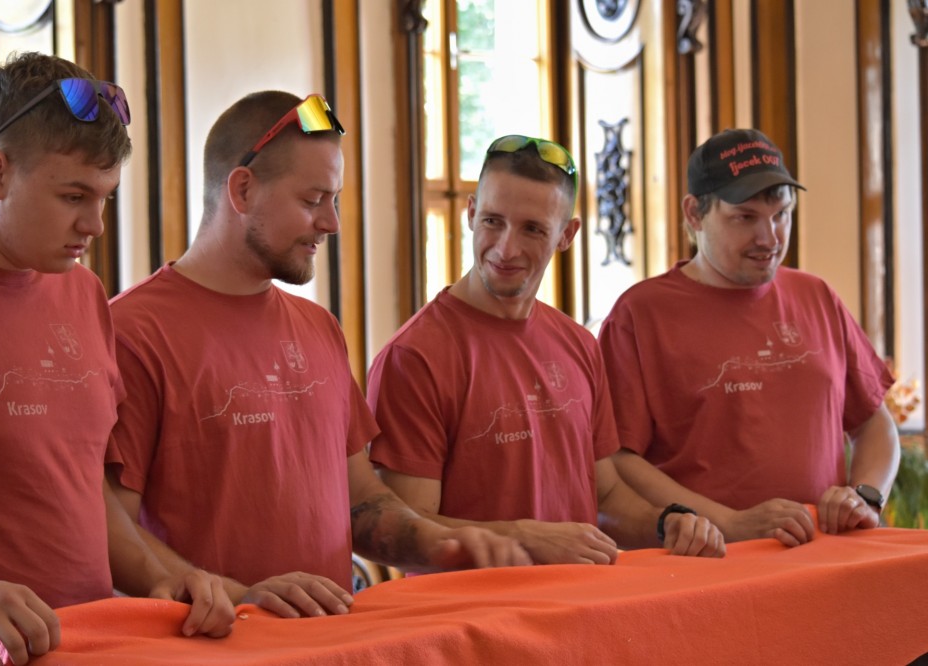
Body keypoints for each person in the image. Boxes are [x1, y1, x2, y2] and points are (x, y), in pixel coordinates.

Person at [106, 90, 531, 621]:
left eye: (335, 200)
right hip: (213, 648)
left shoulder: (318, 327)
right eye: (313, 200)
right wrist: (239, 597)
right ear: (242, 189)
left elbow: (362, 504)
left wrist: (445, 544)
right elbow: (112, 535)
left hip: (331, 645)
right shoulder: (132, 332)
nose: (331, 223)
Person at [0, 53, 234, 666]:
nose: (94, 225)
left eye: (105, 198)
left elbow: (80, 483)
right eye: (73, 195)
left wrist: (161, 577)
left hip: (88, 648)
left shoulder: (83, 293)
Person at [365, 135, 725, 566]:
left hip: (582, 602)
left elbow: (605, 497)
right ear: (471, 212)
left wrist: (668, 524)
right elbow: (409, 536)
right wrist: (525, 538)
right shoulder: (415, 357)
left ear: (566, 235)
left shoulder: (578, 344)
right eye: (493, 221)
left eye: (532, 229)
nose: (506, 248)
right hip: (473, 609)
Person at [598, 128, 901, 548]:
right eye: (745, 218)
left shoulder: (817, 296)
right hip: (706, 562)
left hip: (822, 556)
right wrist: (728, 522)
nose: (769, 238)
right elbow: (616, 460)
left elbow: (874, 424)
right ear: (694, 214)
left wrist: (865, 497)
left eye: (781, 215)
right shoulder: (640, 314)